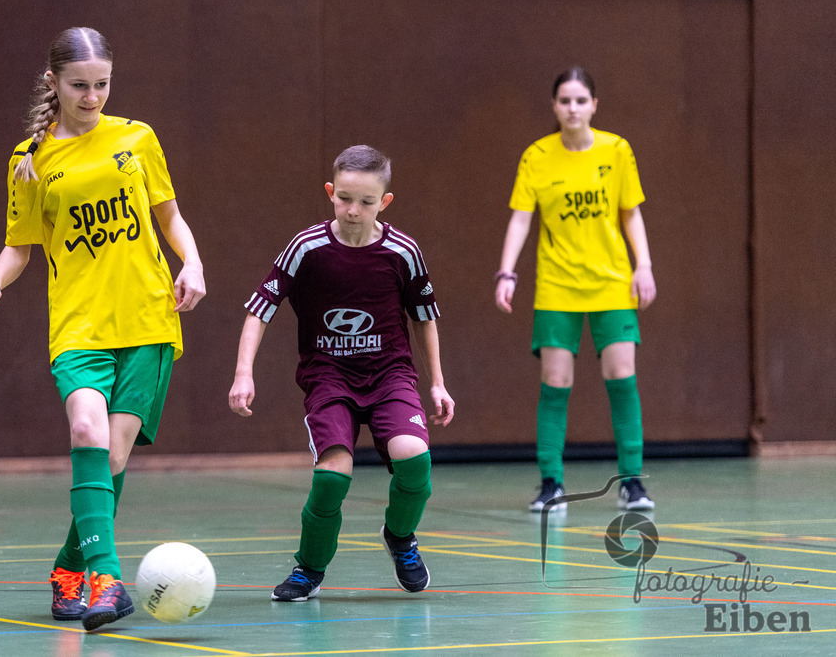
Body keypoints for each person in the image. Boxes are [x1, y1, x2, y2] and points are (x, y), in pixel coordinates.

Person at [0, 27, 205, 630]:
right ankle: (108, 580)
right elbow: (20, 246)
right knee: (87, 433)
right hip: (78, 325)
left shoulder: (137, 139)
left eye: (102, 84)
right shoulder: (30, 160)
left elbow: (168, 214)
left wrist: (193, 263)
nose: (92, 96)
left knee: (113, 458)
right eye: (79, 86)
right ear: (54, 83)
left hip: (147, 318)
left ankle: (70, 569)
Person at [228, 145, 455, 601]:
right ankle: (309, 569)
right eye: (345, 198)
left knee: (414, 457)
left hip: (390, 374)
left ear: (384, 202)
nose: (354, 210)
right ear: (331, 192)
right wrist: (243, 373)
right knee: (333, 476)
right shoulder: (306, 248)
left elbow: (424, 316)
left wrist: (437, 381)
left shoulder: (403, 252)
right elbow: (259, 310)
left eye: (367, 202)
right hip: (329, 377)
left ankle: (401, 537)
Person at [494, 67, 657, 513]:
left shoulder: (617, 150)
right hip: (558, 286)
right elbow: (522, 218)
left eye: (581, 100)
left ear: (594, 105)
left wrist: (643, 266)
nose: (572, 109)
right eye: (564, 101)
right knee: (555, 381)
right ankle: (551, 484)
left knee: (621, 376)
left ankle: (632, 483)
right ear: (554, 106)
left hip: (610, 281)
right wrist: (506, 272)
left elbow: (631, 214)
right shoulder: (537, 156)